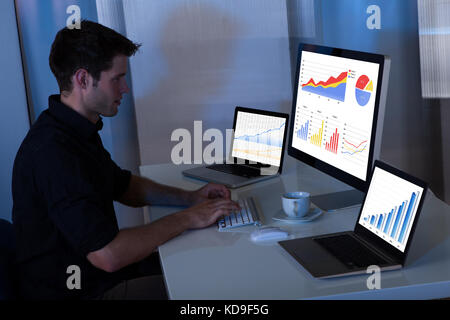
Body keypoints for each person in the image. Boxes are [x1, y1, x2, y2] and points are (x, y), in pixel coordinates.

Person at [11, 20, 240, 300]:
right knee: (214, 293)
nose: (125, 89)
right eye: (117, 79)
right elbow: (108, 255)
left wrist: (191, 199)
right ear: (83, 79)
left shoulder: (74, 128)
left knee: (202, 264)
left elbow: (122, 186)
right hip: (79, 291)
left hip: (96, 276)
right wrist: (189, 218)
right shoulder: (53, 153)